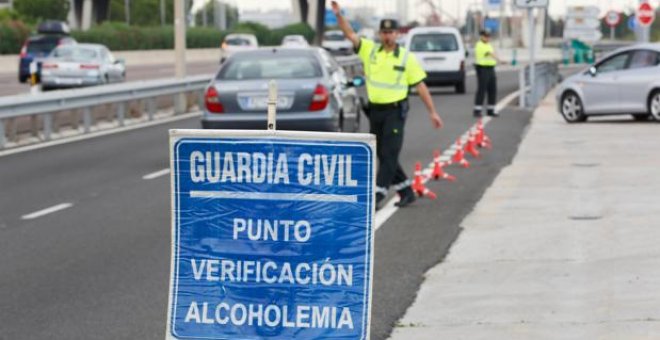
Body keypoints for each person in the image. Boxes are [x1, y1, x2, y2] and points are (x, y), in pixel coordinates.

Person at [331, 1, 444, 209]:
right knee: (383, 154)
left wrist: (433, 112)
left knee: (390, 153)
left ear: (398, 34)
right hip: (375, 112)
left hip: (395, 111)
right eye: (384, 32)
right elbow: (350, 34)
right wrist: (339, 15)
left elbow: (420, 86)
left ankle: (377, 194)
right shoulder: (370, 51)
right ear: (379, 34)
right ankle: (406, 191)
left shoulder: (405, 58)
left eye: (391, 32)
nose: (387, 36)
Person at [473, 30, 500, 117]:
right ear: (481, 36)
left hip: (490, 68)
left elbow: (492, 53)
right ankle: (477, 110)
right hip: (482, 68)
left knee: (492, 89)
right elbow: (490, 53)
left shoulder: (488, 45)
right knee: (482, 89)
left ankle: (490, 109)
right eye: (486, 36)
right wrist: (500, 60)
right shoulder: (479, 45)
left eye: (488, 36)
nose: (488, 38)